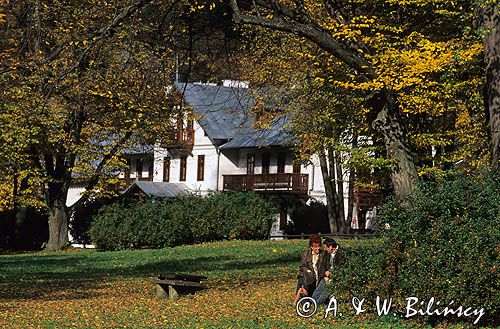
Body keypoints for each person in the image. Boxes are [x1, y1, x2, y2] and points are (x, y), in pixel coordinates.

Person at [294, 234, 328, 304]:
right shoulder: (306, 254)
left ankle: (302, 293)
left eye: (319, 246)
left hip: (319, 276)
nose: (317, 248)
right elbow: (302, 266)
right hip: (309, 276)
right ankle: (301, 296)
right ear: (311, 247)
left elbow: (325, 266)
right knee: (303, 276)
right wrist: (308, 270)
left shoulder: (323, 254)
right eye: (315, 247)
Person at [311, 237, 345, 305]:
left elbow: (341, 269)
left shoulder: (342, 253)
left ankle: (317, 304)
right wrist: (325, 274)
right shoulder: (327, 253)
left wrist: (332, 276)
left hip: (336, 277)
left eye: (326, 247)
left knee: (326, 291)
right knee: (319, 289)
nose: (325, 249)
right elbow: (323, 264)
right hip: (327, 276)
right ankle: (312, 302)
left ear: (331, 247)